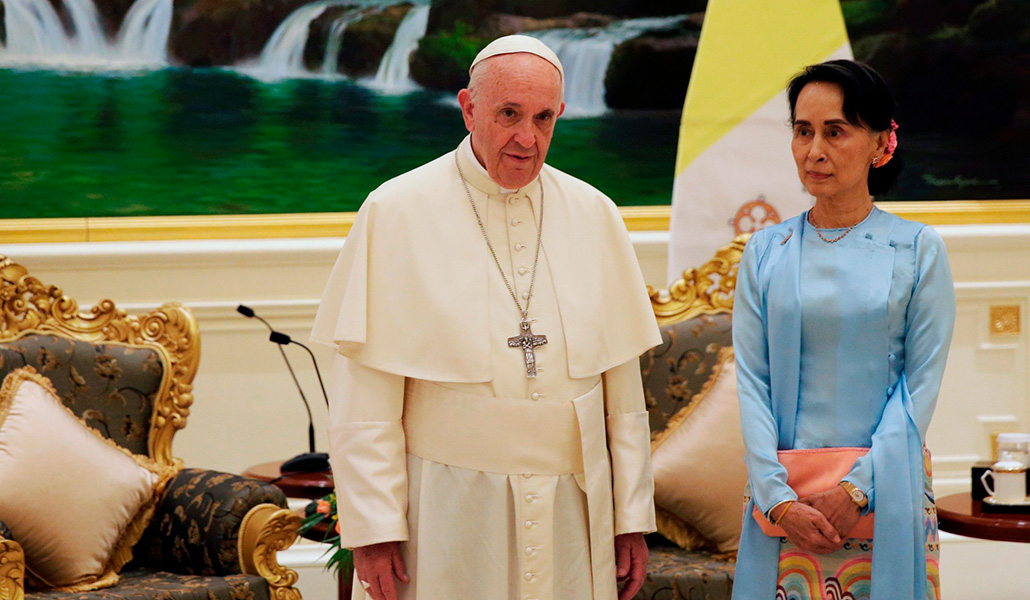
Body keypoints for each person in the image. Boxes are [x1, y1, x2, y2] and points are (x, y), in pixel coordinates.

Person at [311, 35, 662, 600]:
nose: (528, 138)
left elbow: (622, 392)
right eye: (509, 115)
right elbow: (366, 392)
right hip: (448, 511)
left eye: (544, 118)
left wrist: (630, 517)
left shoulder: (594, 215)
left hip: (574, 509)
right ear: (469, 108)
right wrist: (374, 529)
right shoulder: (395, 211)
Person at [731, 60, 955, 600]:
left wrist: (857, 488)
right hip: (784, 500)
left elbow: (918, 389)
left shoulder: (918, 249)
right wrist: (777, 498)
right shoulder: (765, 252)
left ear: (881, 144)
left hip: (887, 492)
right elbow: (751, 383)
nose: (815, 150)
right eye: (803, 131)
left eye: (835, 131)